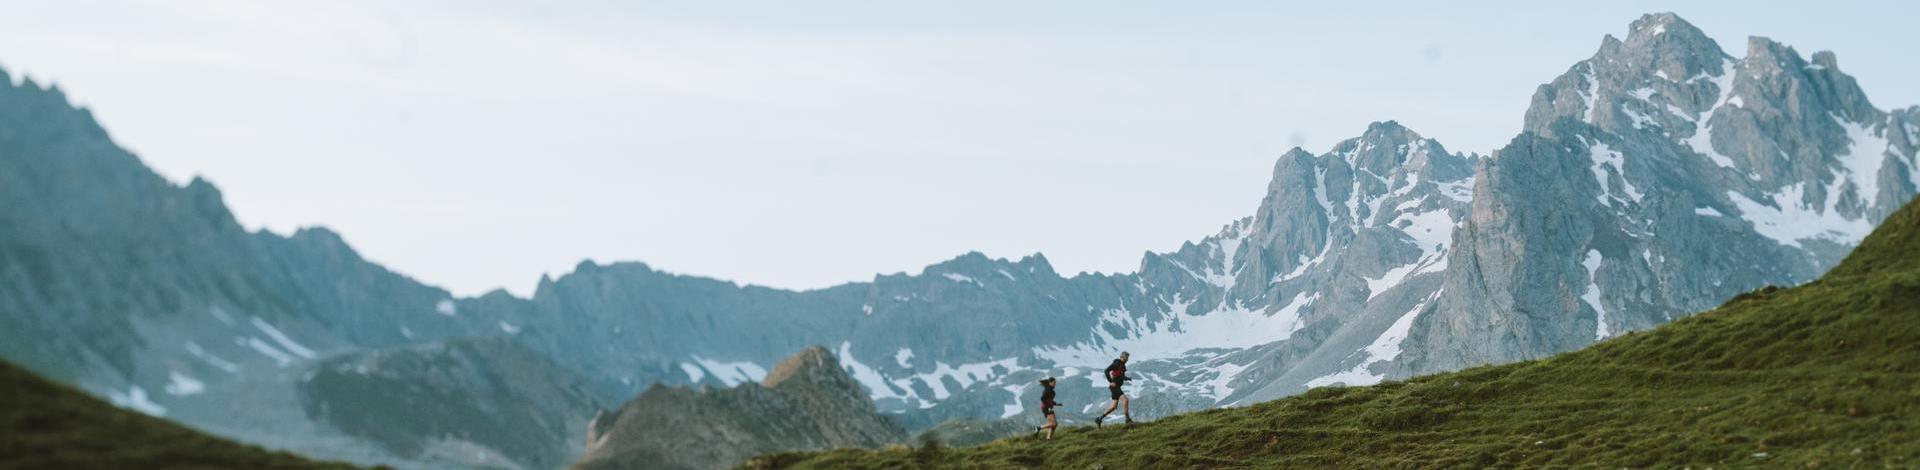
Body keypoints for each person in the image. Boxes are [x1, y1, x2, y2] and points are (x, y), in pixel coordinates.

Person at [1095, 351, 1133, 427]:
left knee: (1113, 407)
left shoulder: (1122, 365)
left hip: (1116, 387)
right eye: (1126, 357)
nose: (1127, 359)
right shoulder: (1116, 363)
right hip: (1114, 386)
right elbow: (1106, 371)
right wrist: (1110, 381)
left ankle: (1099, 419)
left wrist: (1127, 378)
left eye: (1128, 358)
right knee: (1125, 400)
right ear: (1121, 357)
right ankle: (1127, 419)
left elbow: (1120, 376)